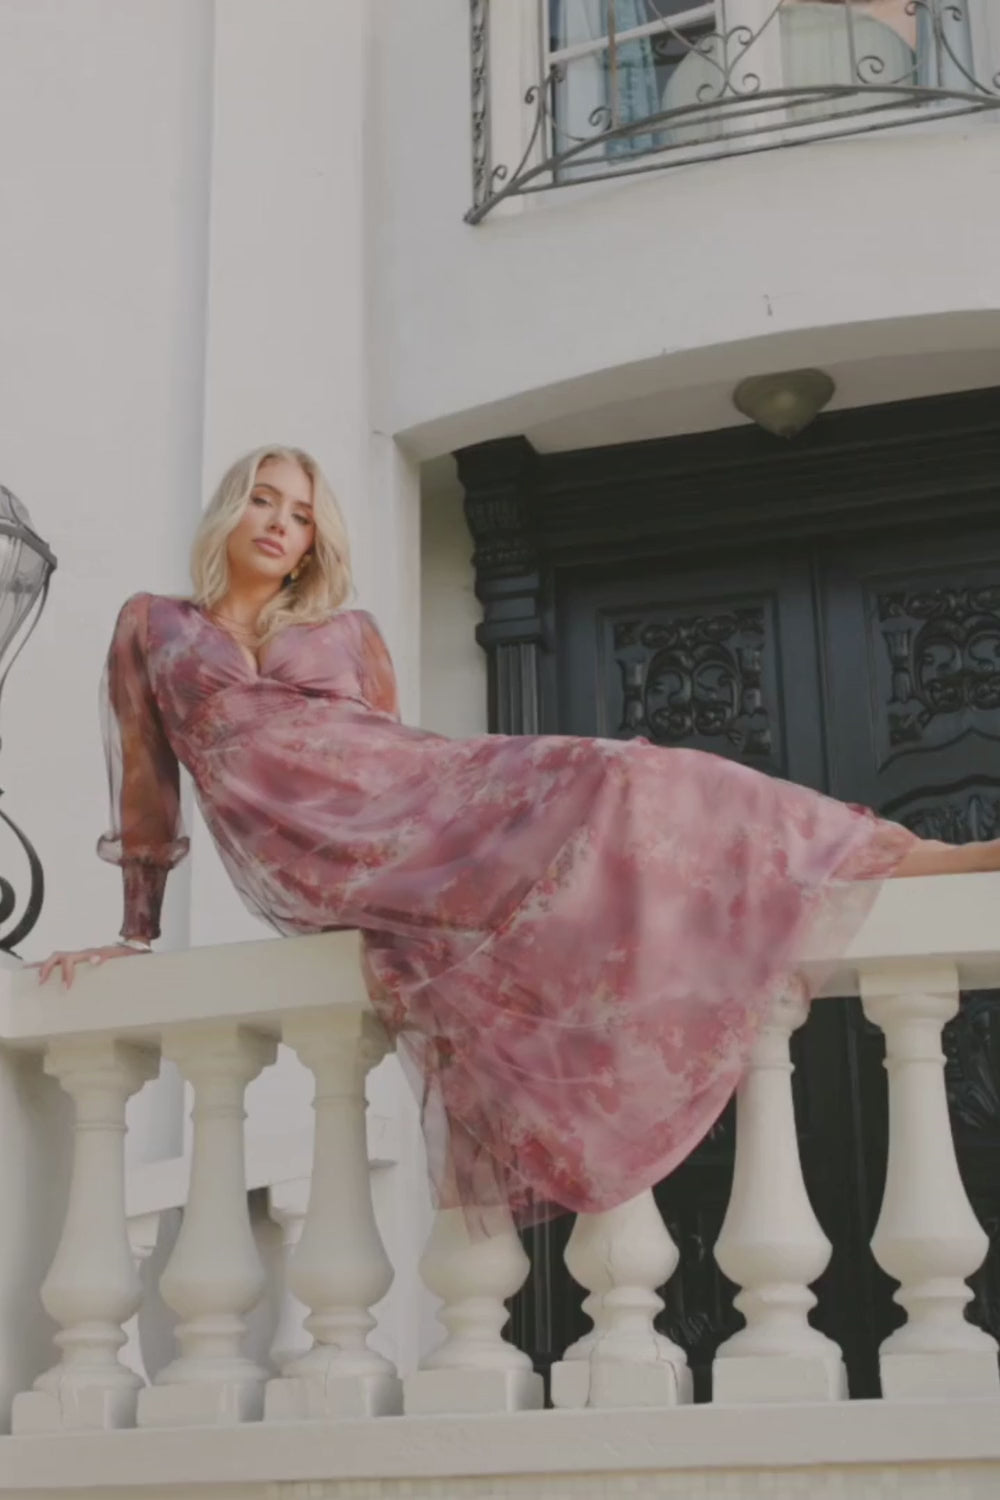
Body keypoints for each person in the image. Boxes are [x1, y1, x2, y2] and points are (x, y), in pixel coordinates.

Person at [33, 445, 1000, 1225]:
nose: (281, 523)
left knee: (632, 778)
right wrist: (135, 932)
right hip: (308, 853)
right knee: (609, 798)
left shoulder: (347, 631)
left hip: (408, 800)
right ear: (229, 510)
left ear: (315, 542)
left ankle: (907, 854)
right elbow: (147, 786)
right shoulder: (152, 626)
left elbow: (389, 750)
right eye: (263, 500)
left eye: (301, 513)